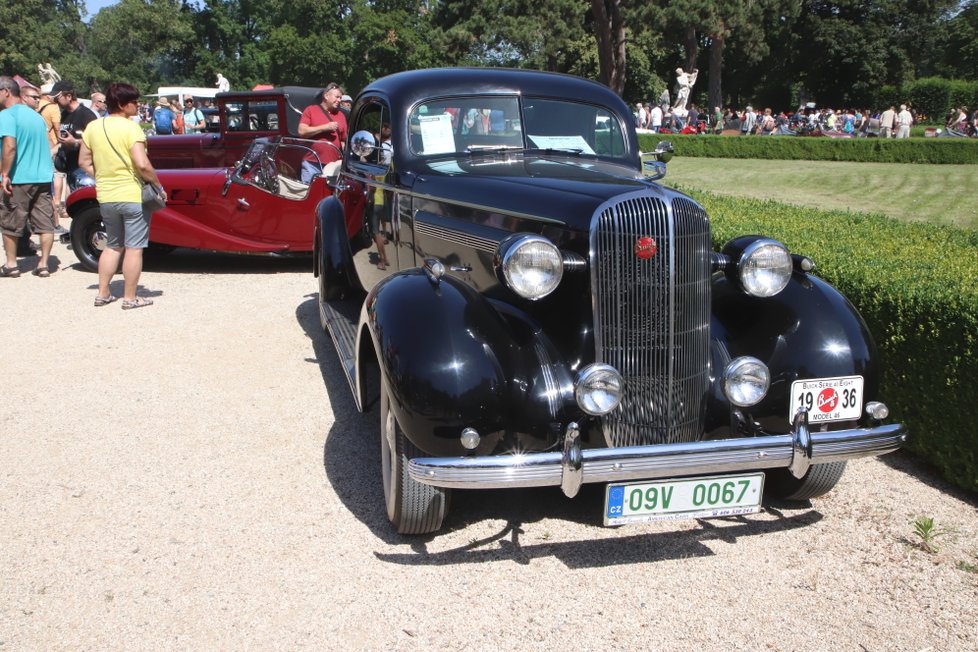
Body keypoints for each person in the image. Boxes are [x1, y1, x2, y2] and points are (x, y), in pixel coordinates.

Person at [78, 82, 165, 309]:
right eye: (134, 102)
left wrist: (103, 175)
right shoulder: (131, 128)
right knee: (134, 247)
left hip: (106, 194)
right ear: (122, 104)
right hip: (132, 194)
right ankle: (130, 297)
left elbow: (83, 161)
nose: (138, 105)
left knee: (112, 245)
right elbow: (142, 164)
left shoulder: (93, 127)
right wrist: (157, 184)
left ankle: (103, 293)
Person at [0, 76, 56, 278]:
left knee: (10, 221)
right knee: (45, 222)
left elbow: (10, 147)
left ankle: (11, 264)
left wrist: (4, 174)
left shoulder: (7, 115)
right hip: (42, 176)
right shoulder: (36, 116)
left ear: (6, 92)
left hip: (19, 177)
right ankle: (43, 264)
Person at [51, 80, 98, 191]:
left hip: (84, 169)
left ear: (69, 96)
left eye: (57, 98)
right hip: (70, 167)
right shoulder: (64, 114)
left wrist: (75, 142)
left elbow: (97, 141)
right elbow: (63, 141)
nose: (55, 101)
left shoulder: (86, 114)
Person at [297, 82, 347, 183]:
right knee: (310, 195)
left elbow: (343, 140)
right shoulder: (311, 110)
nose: (339, 100)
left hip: (334, 167)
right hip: (312, 164)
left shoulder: (341, 115)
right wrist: (325, 127)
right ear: (326, 96)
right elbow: (301, 131)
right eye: (337, 97)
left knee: (330, 196)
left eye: (340, 98)